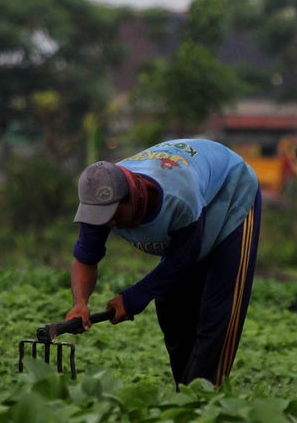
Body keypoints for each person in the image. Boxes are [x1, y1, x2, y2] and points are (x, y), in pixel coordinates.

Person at [66, 138, 261, 389]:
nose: (109, 223)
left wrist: (135, 296)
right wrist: (80, 303)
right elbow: (85, 259)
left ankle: (205, 398)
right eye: (101, 217)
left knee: (218, 310)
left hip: (231, 193)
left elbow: (184, 260)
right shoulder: (100, 200)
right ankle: (186, 392)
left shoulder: (177, 198)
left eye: (113, 215)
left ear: (132, 198)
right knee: (171, 308)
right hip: (194, 201)